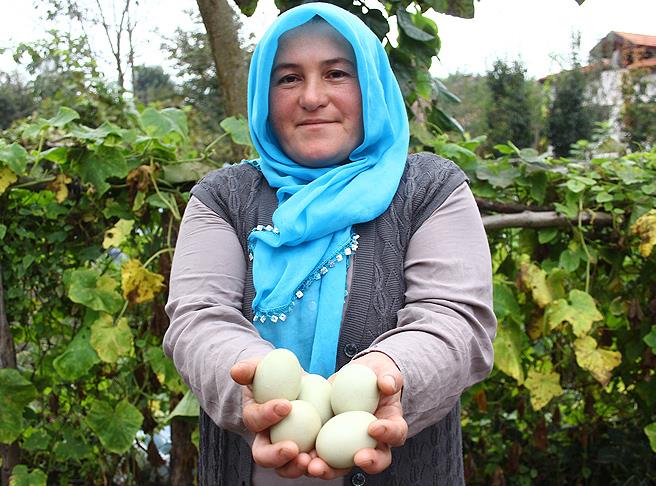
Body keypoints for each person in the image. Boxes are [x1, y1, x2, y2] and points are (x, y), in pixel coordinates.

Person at [163, 3, 496, 485]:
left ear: (370, 87)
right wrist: (252, 379)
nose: (312, 97)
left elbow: (454, 317)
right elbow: (198, 319)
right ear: (263, 95)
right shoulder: (223, 198)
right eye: (288, 78)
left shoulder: (429, 190)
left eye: (337, 73)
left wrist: (390, 375)